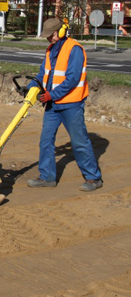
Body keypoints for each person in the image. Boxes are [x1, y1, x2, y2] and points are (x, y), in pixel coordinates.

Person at [26, 18, 103, 191]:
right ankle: (47, 177)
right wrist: (30, 86)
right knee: (46, 140)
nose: (49, 39)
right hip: (53, 105)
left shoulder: (74, 49)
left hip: (71, 104)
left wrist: (51, 95)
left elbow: (72, 79)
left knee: (79, 141)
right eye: (47, 36)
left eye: (51, 35)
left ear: (60, 32)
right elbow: (42, 74)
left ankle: (93, 177)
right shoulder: (50, 50)